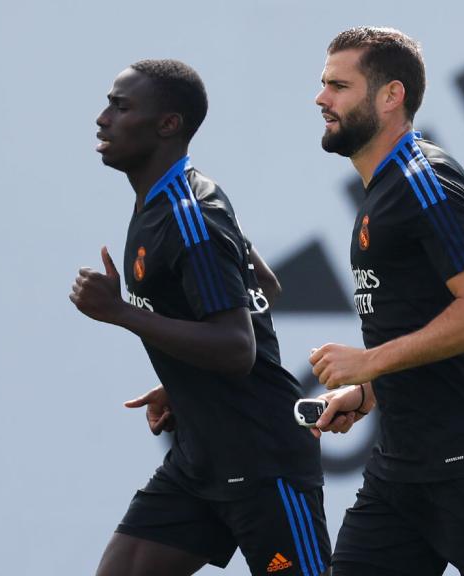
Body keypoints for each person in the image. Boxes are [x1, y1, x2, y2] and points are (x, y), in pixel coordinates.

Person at [305, 27, 464, 576]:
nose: (321, 99)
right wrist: (367, 389)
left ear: (391, 96)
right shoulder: (384, 190)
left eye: (339, 86)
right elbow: (418, 324)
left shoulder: (425, 178)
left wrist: (369, 361)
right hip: (400, 471)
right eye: (324, 84)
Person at [71, 59, 330, 576]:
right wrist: (185, 377)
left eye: (121, 107)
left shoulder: (192, 216)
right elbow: (265, 289)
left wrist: (120, 313)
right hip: (200, 459)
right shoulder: (167, 199)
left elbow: (236, 348)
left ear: (168, 124)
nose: (102, 118)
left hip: (263, 460)